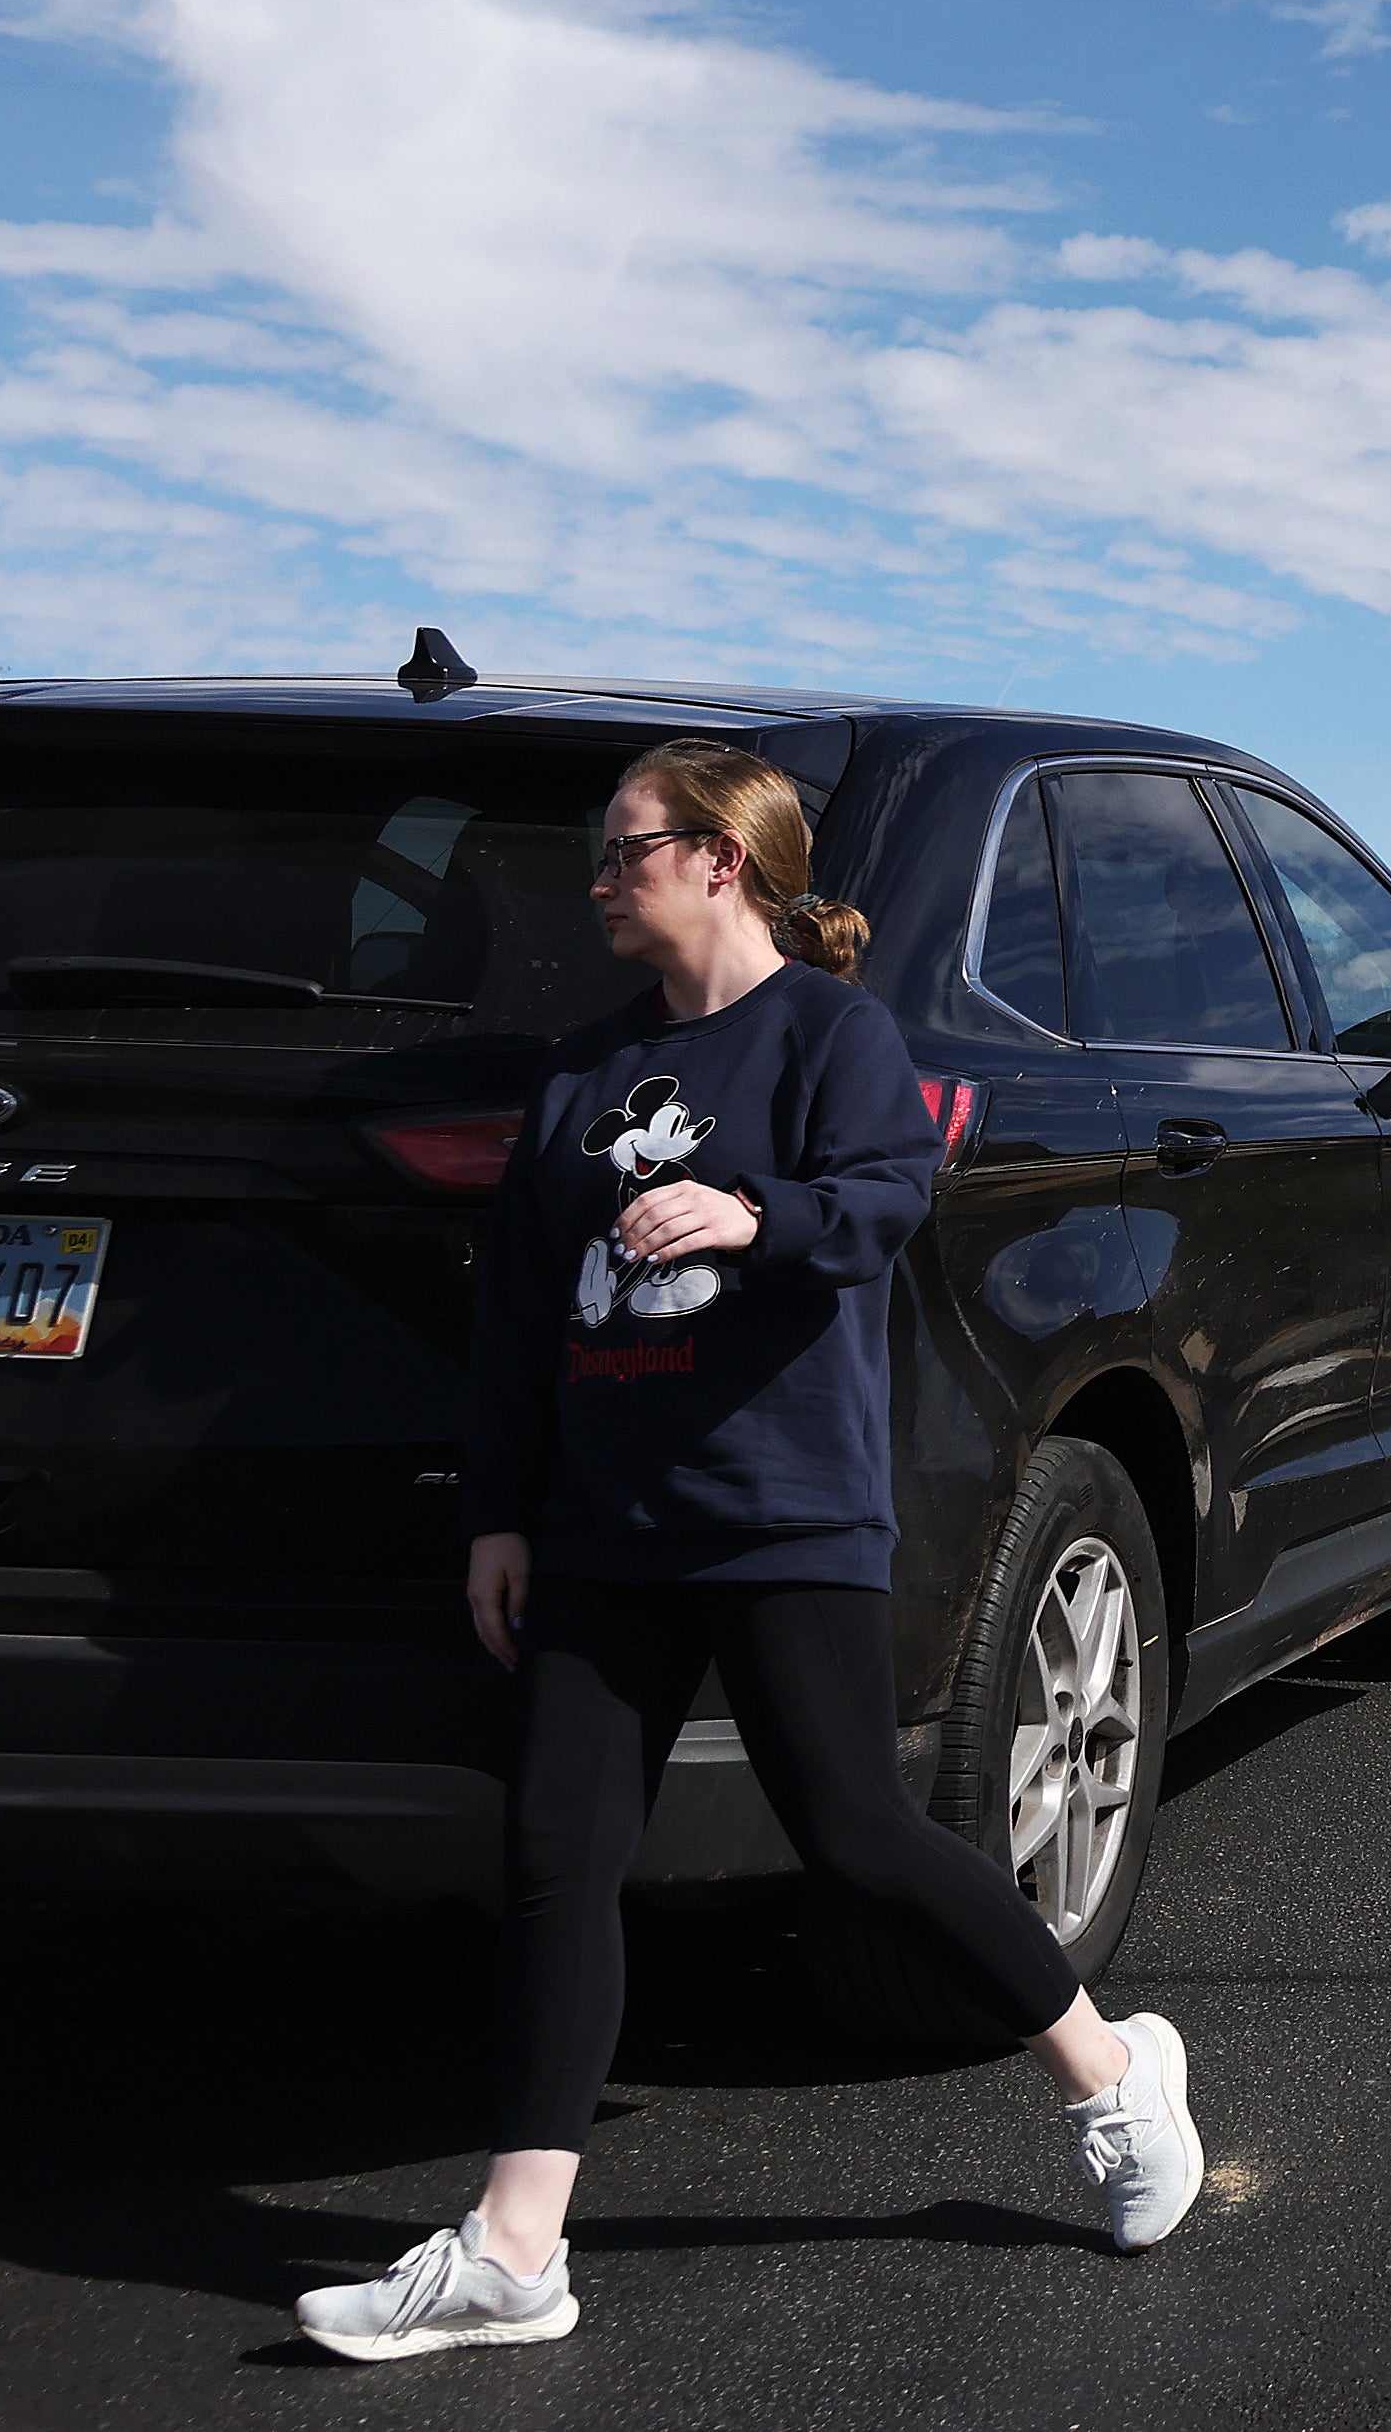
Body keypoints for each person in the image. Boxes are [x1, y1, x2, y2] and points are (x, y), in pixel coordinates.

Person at [298, 741, 1203, 2362]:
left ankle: (1113, 2069)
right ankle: (515, 2247)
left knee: (857, 1829)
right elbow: (519, 1311)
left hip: (783, 1505)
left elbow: (884, 1199)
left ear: (721, 858)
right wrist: (499, 1506)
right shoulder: (586, 1068)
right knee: (558, 1853)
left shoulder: (831, 1033)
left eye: (624, 847)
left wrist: (748, 1213)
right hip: (604, 1522)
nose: (599, 875)